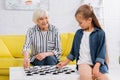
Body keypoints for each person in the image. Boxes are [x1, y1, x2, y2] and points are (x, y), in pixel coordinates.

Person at [57, 4, 109, 80]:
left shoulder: (100, 33)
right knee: (86, 77)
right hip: (83, 63)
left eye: (80, 22)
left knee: (104, 78)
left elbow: (102, 52)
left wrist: (96, 67)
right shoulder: (78, 33)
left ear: (89, 20)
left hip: (97, 64)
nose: (79, 25)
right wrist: (65, 62)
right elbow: (73, 52)